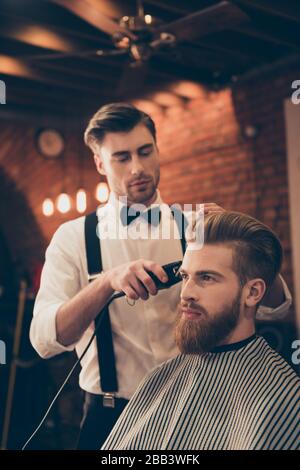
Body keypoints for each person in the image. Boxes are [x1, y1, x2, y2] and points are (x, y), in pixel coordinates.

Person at [30, 103, 291, 450]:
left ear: (157, 149)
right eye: (121, 157)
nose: (137, 168)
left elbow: (276, 309)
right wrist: (107, 283)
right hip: (111, 412)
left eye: (145, 151)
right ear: (99, 163)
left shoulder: (195, 225)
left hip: (194, 404)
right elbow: (45, 340)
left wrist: (246, 251)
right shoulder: (73, 238)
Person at [102, 211, 299, 450]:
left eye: (206, 277)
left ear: (253, 293)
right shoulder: (160, 378)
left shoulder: (284, 398)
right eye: (185, 276)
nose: (186, 293)